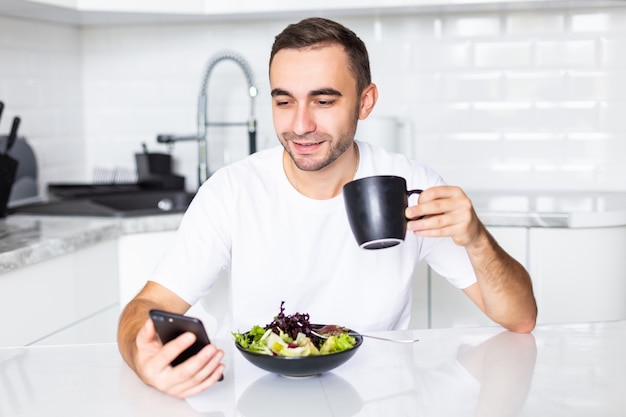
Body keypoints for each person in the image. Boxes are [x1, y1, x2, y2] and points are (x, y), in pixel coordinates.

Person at [118, 17, 537, 398]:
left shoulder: (412, 187)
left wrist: (477, 239)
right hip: (261, 397)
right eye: (284, 102)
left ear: (365, 102)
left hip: (382, 398)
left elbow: (520, 319)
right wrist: (144, 360)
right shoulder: (231, 191)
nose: (300, 125)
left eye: (323, 101)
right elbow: (142, 310)